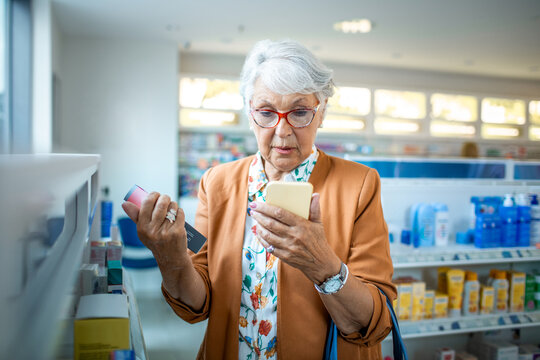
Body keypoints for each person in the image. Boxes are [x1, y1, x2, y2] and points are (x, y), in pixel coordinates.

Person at [123, 39, 396, 359]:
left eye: (300, 112)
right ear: (249, 113)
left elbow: (376, 322)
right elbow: (197, 306)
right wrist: (171, 259)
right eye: (267, 112)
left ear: (321, 113)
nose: (282, 131)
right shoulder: (217, 183)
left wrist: (323, 265)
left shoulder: (359, 184)